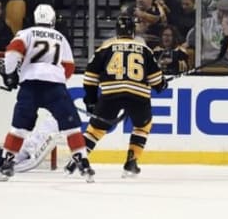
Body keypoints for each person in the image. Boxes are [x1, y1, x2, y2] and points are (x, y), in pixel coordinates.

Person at [0, 4, 94, 182]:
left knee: (19, 127)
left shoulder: (26, 33)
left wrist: (10, 73)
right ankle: (83, 162)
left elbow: (12, 51)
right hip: (55, 87)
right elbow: (69, 66)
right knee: (71, 127)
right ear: (52, 20)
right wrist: (57, 78)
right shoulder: (60, 37)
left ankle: (7, 161)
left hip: (30, 85)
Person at [69, 15, 167, 178]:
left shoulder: (105, 47)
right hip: (138, 95)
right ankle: (131, 163)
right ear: (133, 31)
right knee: (143, 126)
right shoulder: (144, 49)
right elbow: (156, 81)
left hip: (110, 94)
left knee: (96, 129)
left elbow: (90, 77)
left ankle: (76, 160)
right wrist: (162, 84)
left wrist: (91, 100)